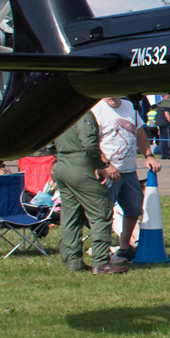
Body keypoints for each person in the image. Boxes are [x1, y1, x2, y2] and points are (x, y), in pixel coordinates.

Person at [52, 110, 126, 275]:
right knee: (101, 211)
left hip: (62, 164)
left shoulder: (57, 115)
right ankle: (101, 262)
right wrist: (100, 165)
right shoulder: (83, 114)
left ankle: (72, 260)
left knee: (70, 215)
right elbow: (90, 144)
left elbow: (50, 144)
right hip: (81, 165)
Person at [93, 96, 150, 261]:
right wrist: (106, 164)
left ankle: (125, 247)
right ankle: (101, 252)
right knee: (103, 212)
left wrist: (149, 155)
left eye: (115, 92)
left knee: (134, 209)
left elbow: (139, 132)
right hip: (108, 171)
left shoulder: (129, 106)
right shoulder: (96, 109)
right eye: (107, 93)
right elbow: (92, 141)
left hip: (129, 170)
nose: (112, 97)